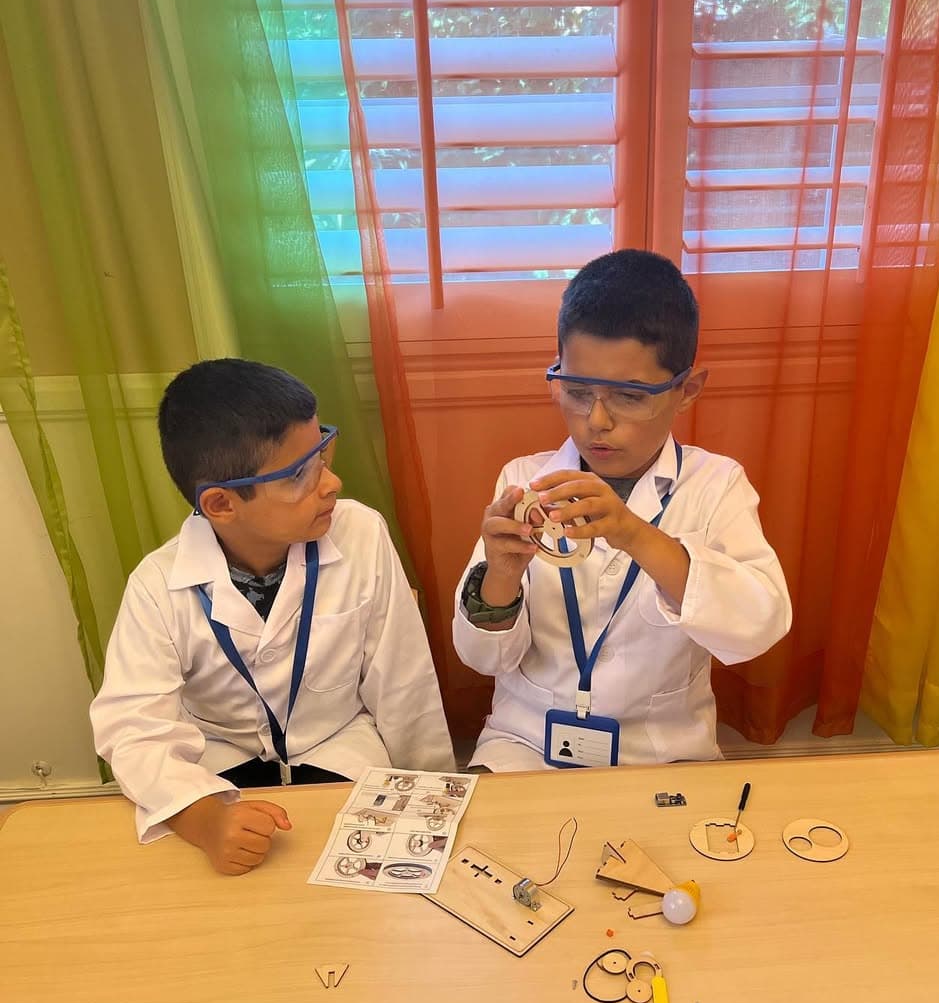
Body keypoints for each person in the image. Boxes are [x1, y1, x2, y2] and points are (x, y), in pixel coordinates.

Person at [91, 358, 453, 873]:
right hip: (220, 765)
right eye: (301, 475)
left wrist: (436, 793)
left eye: (322, 455)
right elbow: (132, 727)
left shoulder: (361, 533)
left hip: (339, 749)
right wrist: (203, 821)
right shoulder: (157, 584)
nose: (332, 483)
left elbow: (403, 680)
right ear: (220, 504)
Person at [453, 250, 791, 772]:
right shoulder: (523, 480)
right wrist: (499, 575)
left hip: (663, 747)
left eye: (630, 396)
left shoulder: (716, 484)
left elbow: (758, 627)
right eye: (577, 391)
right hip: (526, 738)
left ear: (687, 391)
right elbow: (483, 659)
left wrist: (636, 534)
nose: (597, 420)